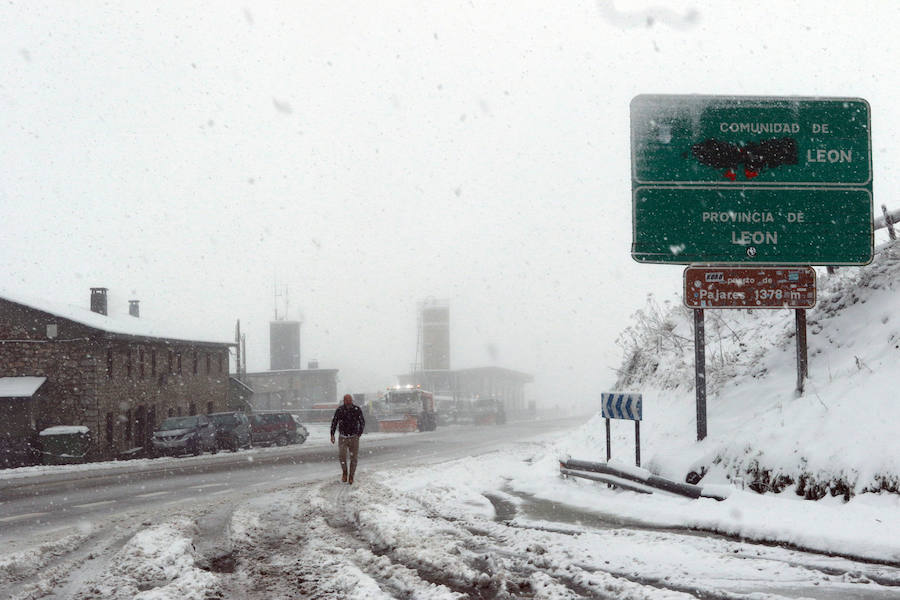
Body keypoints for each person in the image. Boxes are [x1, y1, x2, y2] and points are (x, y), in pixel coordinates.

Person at [330, 393, 366, 484]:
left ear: (352, 401)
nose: (348, 402)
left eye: (349, 400)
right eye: (346, 400)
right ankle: (345, 472)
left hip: (354, 437)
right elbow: (334, 422)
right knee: (342, 456)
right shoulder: (340, 410)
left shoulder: (356, 409)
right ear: (344, 401)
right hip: (342, 437)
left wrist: (359, 433)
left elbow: (362, 421)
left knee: (353, 458)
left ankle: (351, 476)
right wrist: (332, 434)